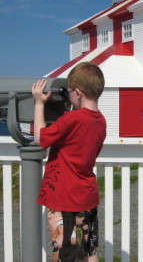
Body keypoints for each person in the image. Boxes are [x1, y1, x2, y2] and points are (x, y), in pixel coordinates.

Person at [32, 62, 106, 262]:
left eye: (70, 92)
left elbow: (40, 138)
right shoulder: (100, 121)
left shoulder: (72, 119)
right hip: (86, 198)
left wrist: (39, 103)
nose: (68, 96)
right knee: (88, 250)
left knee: (66, 253)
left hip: (65, 199)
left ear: (79, 93)